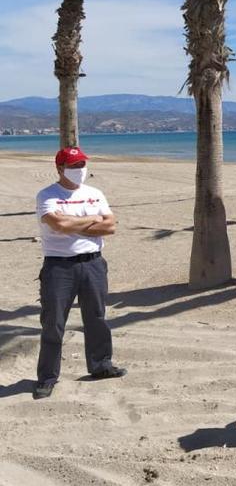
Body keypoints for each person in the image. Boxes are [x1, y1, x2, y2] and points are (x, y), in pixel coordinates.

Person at [33, 147, 126, 399]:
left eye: (82, 164)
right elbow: (58, 225)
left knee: (96, 317)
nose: (80, 170)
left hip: (93, 263)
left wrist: (74, 224)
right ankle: (47, 377)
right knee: (53, 322)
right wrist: (91, 220)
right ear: (60, 168)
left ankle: (101, 365)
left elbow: (110, 226)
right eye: (74, 165)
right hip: (59, 267)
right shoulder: (47, 195)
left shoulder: (94, 193)